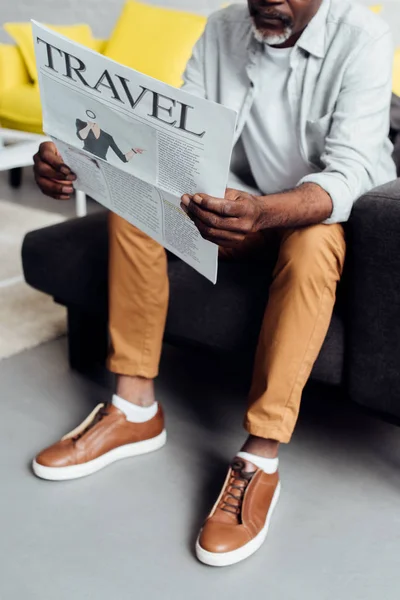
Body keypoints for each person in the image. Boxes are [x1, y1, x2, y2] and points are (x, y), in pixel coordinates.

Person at [32, 0, 395, 567]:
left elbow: (349, 170)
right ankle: (134, 410)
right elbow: (178, 143)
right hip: (236, 206)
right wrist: (75, 153)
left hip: (311, 216)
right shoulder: (223, 26)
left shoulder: (365, 38)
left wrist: (267, 212)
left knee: (315, 239)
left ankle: (261, 457)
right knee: (139, 202)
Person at [76, 111, 144, 162]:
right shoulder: (82, 124)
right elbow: (81, 136)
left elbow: (123, 158)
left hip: (99, 163)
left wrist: (134, 151)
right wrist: (89, 126)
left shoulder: (108, 137)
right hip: (84, 158)